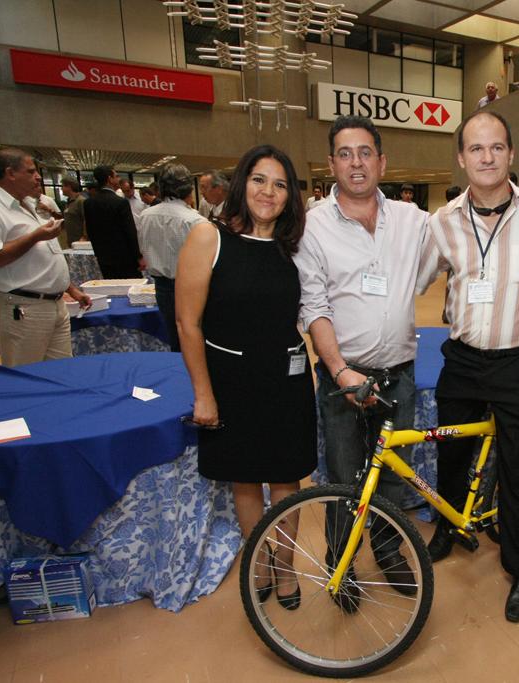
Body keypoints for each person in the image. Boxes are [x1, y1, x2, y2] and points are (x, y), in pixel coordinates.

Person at [418, 110, 519, 623]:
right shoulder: (443, 221)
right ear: (461, 158)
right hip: (466, 360)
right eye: (476, 149)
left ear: (511, 154)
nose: (487, 157)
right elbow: (418, 278)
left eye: (496, 147)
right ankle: (449, 525)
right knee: (451, 450)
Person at [295, 115, 429, 606]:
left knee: (394, 473)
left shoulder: (413, 221)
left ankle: (388, 550)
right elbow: (314, 305)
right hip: (342, 379)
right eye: (346, 153)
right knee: (345, 479)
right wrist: (340, 372)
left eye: (365, 152)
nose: (356, 162)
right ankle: (342, 563)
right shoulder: (312, 226)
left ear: (382, 161)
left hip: (401, 375)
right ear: (331, 163)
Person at [176, 144, 316, 610]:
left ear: (289, 196)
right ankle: (258, 559)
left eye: (279, 184)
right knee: (243, 479)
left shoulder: (294, 245)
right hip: (231, 380)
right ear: (242, 183)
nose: (268, 191)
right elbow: (187, 324)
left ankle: (286, 565)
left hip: (287, 378)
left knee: (285, 478)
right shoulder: (208, 238)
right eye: (259, 179)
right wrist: (203, 395)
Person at [0, 148, 91, 367]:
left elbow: (42, 259)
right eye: (31, 171)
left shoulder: (29, 205)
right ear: (10, 173)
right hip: (22, 306)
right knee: (25, 376)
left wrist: (71, 289)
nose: (38, 177)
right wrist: (35, 236)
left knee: (62, 373)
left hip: (53, 303)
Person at [137, 163, 202, 352]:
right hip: (190, 288)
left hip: (161, 286)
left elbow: (144, 248)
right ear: (189, 188)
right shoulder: (194, 220)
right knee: (195, 338)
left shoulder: (145, 216)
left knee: (174, 337)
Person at [83, 165, 143, 278]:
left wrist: (99, 253)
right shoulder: (120, 202)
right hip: (125, 257)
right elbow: (130, 231)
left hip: (103, 257)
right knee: (130, 288)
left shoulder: (89, 203)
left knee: (110, 286)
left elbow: (90, 231)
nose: (118, 179)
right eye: (116, 176)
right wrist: (139, 256)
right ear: (110, 179)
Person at [59, 178, 86, 247]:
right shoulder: (68, 202)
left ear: (69, 187)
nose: (61, 189)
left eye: (63, 186)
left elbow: (87, 220)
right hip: (72, 240)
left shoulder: (81, 201)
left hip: (81, 241)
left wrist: (85, 236)